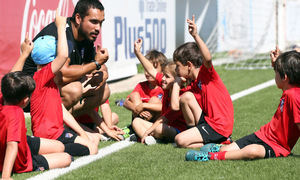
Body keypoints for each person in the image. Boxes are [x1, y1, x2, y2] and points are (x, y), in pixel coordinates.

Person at [186, 48, 300, 161]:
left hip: (277, 146)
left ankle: (209, 157)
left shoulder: (294, 96)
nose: (275, 74)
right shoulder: (289, 91)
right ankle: (221, 148)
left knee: (252, 151)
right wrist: (277, 64)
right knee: (226, 150)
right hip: (263, 134)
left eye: (276, 72)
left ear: (285, 77)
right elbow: (286, 86)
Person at [22, 0, 110, 121]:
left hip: (53, 89)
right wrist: (96, 64)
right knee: (74, 90)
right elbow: (63, 76)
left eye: (101, 23)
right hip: (29, 94)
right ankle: (48, 126)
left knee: (104, 90)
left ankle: (63, 124)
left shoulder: (86, 35)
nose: (98, 28)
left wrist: (103, 73)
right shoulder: (62, 33)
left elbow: (93, 65)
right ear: (78, 18)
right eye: (94, 22)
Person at [0, 37, 71, 179]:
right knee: (66, 157)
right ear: (26, 100)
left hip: (23, 143)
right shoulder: (16, 113)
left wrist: (24, 54)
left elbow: (10, 78)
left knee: (59, 146)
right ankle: (31, 162)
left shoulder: (4, 99)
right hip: (20, 161)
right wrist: (6, 176)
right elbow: (12, 145)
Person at [29, 11, 98, 156]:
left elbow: (62, 111)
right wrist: (61, 27)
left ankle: (54, 148)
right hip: (50, 135)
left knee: (94, 139)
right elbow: (63, 55)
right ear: (51, 59)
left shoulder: (48, 81)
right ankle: (53, 149)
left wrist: (81, 133)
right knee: (92, 148)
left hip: (58, 132)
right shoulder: (41, 76)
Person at [173, 15, 234, 148]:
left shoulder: (205, 74)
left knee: (179, 141)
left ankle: (222, 144)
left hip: (219, 126)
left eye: (177, 66)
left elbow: (208, 58)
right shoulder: (194, 84)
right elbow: (175, 106)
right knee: (186, 97)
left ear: (189, 65)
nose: (176, 70)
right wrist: (176, 83)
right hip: (207, 123)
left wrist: (195, 35)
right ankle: (199, 136)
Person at [131, 39, 188, 145]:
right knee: (136, 122)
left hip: (178, 130)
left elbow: (165, 118)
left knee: (160, 128)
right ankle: (153, 138)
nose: (162, 79)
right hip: (162, 124)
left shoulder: (182, 94)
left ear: (176, 79)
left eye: (166, 76)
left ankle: (147, 136)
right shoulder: (166, 84)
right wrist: (138, 52)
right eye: (163, 75)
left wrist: (149, 130)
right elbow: (151, 70)